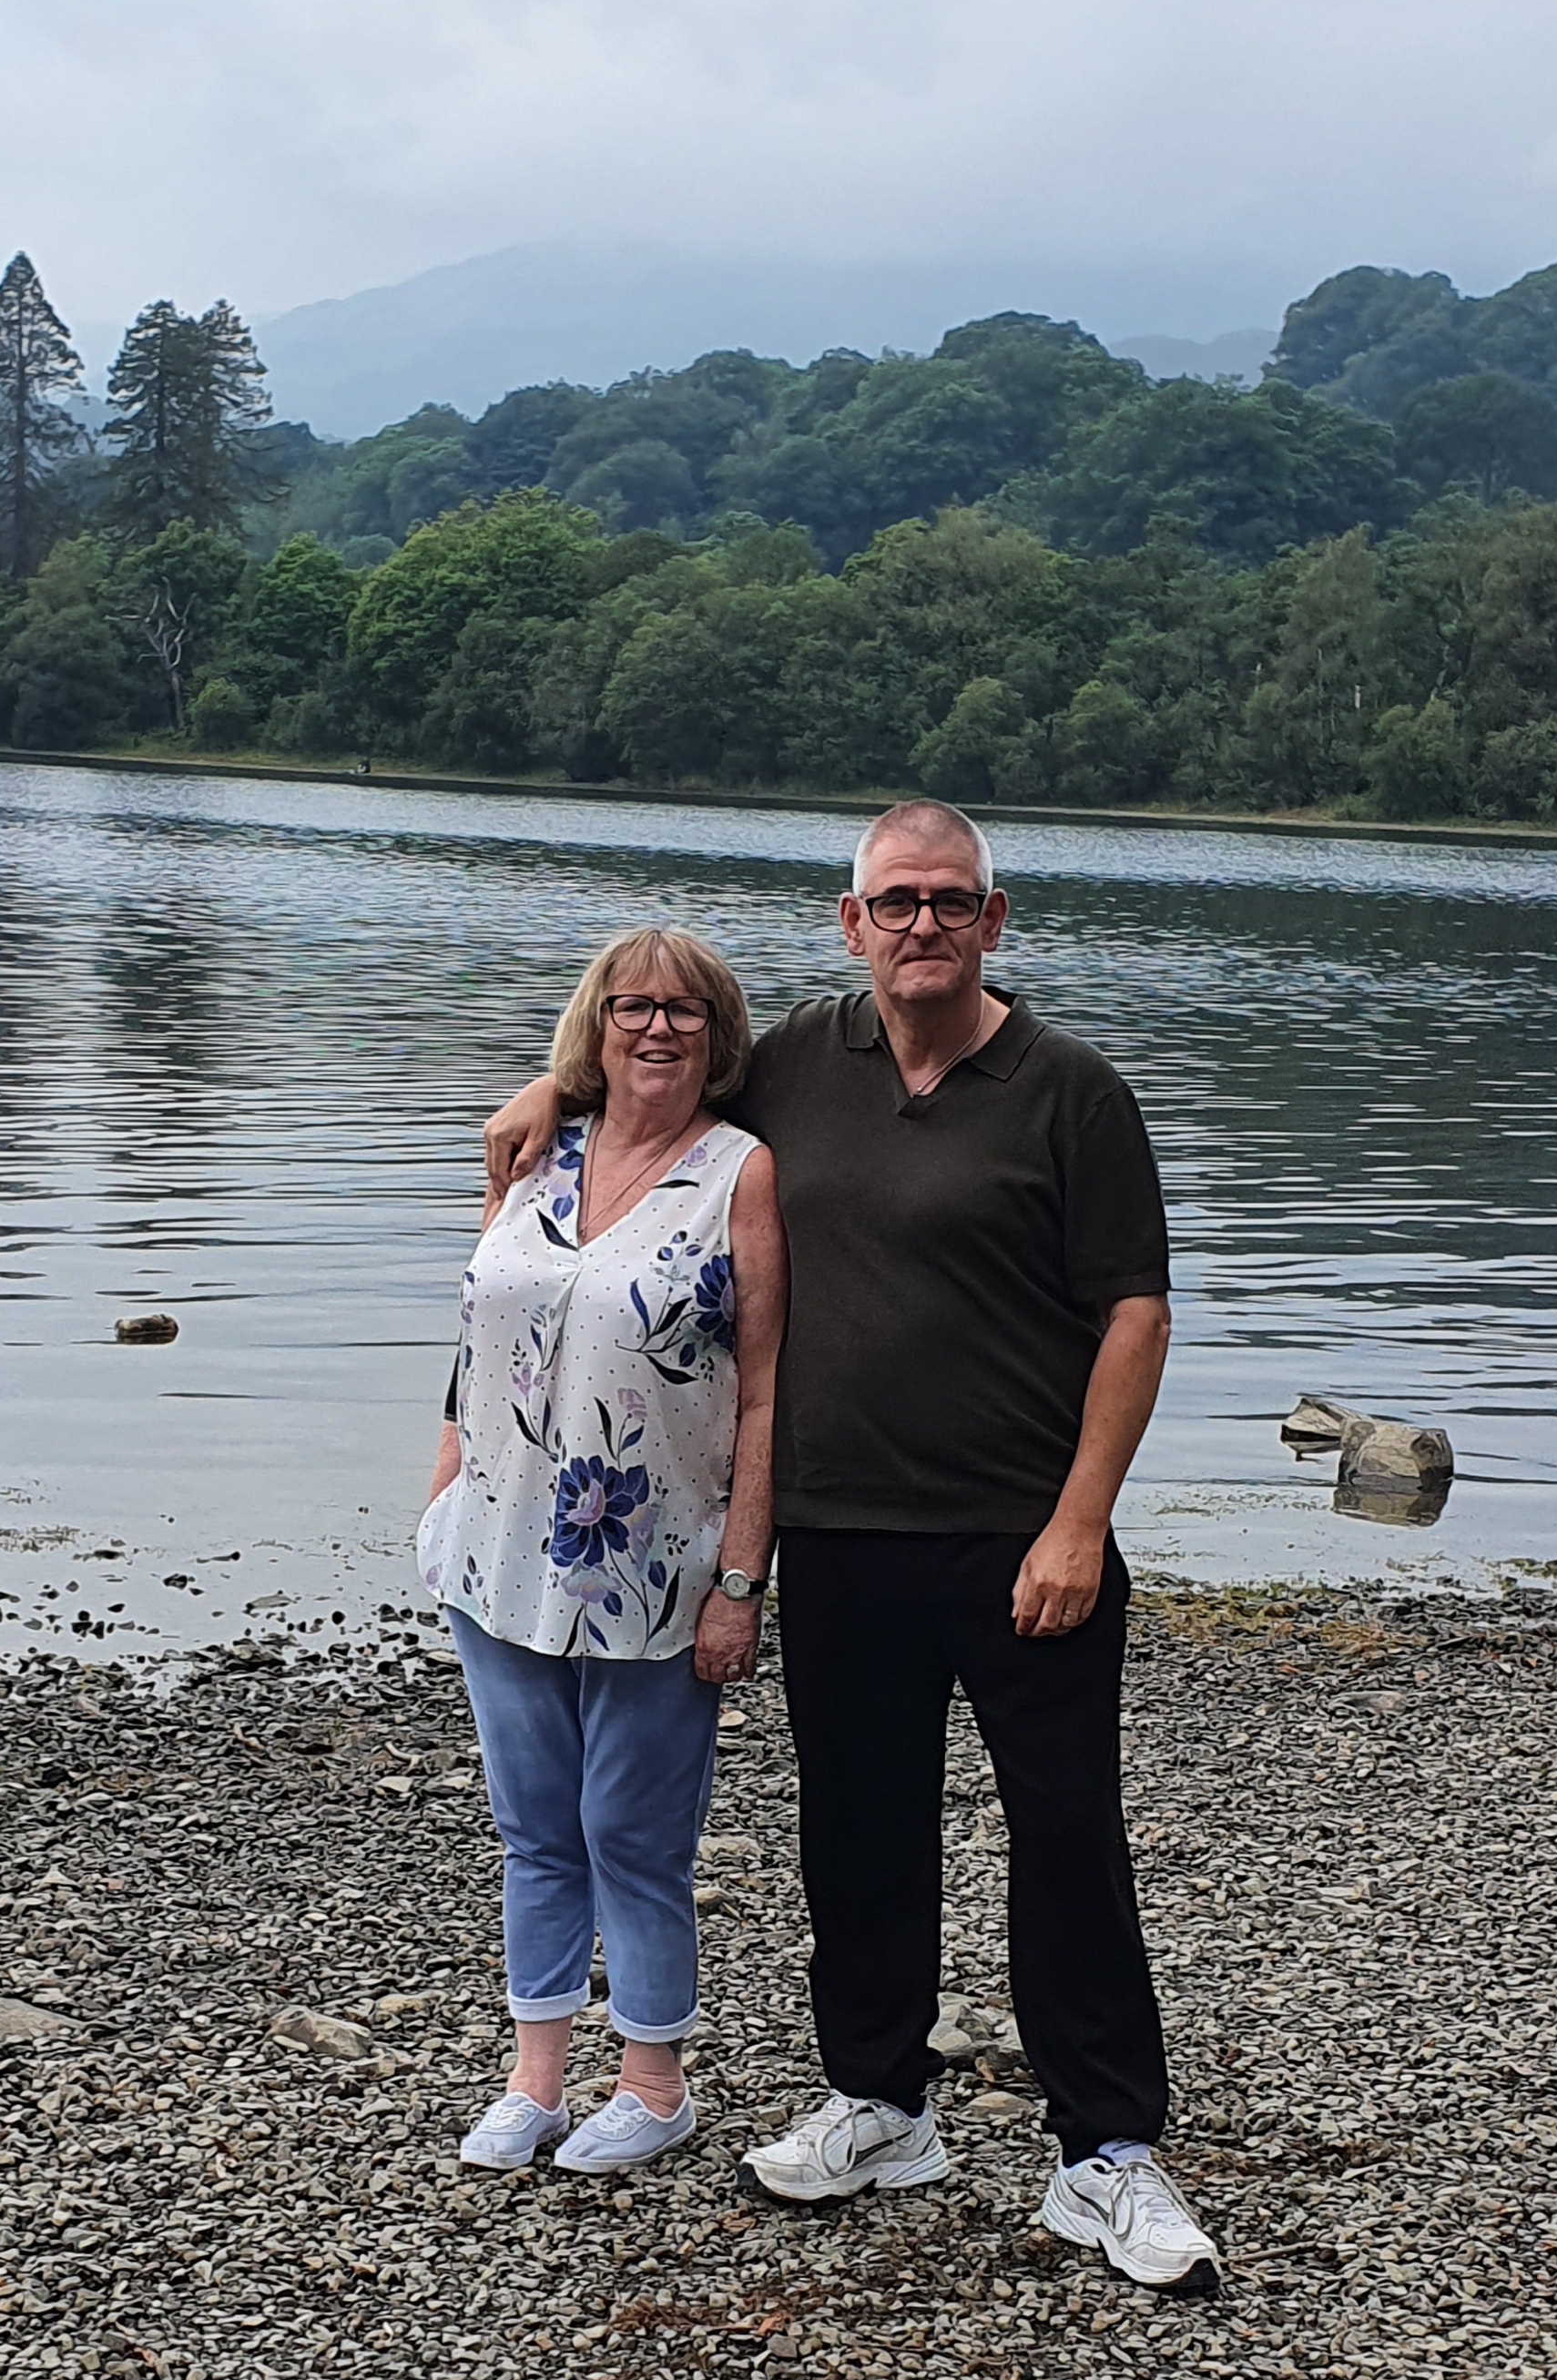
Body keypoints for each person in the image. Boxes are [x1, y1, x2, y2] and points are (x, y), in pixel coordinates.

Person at [484, 803, 1217, 2292]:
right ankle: (881, 2102)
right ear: (851, 921)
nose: (921, 924)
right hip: (840, 1531)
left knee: (1065, 1838)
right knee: (859, 1834)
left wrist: (1080, 1520)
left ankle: (1105, 2150)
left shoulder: (1072, 1091)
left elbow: (1135, 1315)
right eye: (896, 901)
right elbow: (655, 1064)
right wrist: (546, 1088)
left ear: (991, 921)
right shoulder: (798, 1064)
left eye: (949, 900)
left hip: (1023, 1540)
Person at [423, 925, 786, 2175]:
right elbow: (477, 1331)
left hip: (651, 1568)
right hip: (496, 1552)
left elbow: (763, 1392)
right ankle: (533, 2083)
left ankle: (652, 2085)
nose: (657, 1027)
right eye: (632, 1006)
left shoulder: (740, 1174)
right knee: (532, 1826)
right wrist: (443, 1497)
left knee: (632, 1832)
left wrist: (740, 1580)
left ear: (719, 1036)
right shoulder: (534, 1151)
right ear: (598, 1023)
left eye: (685, 1010)